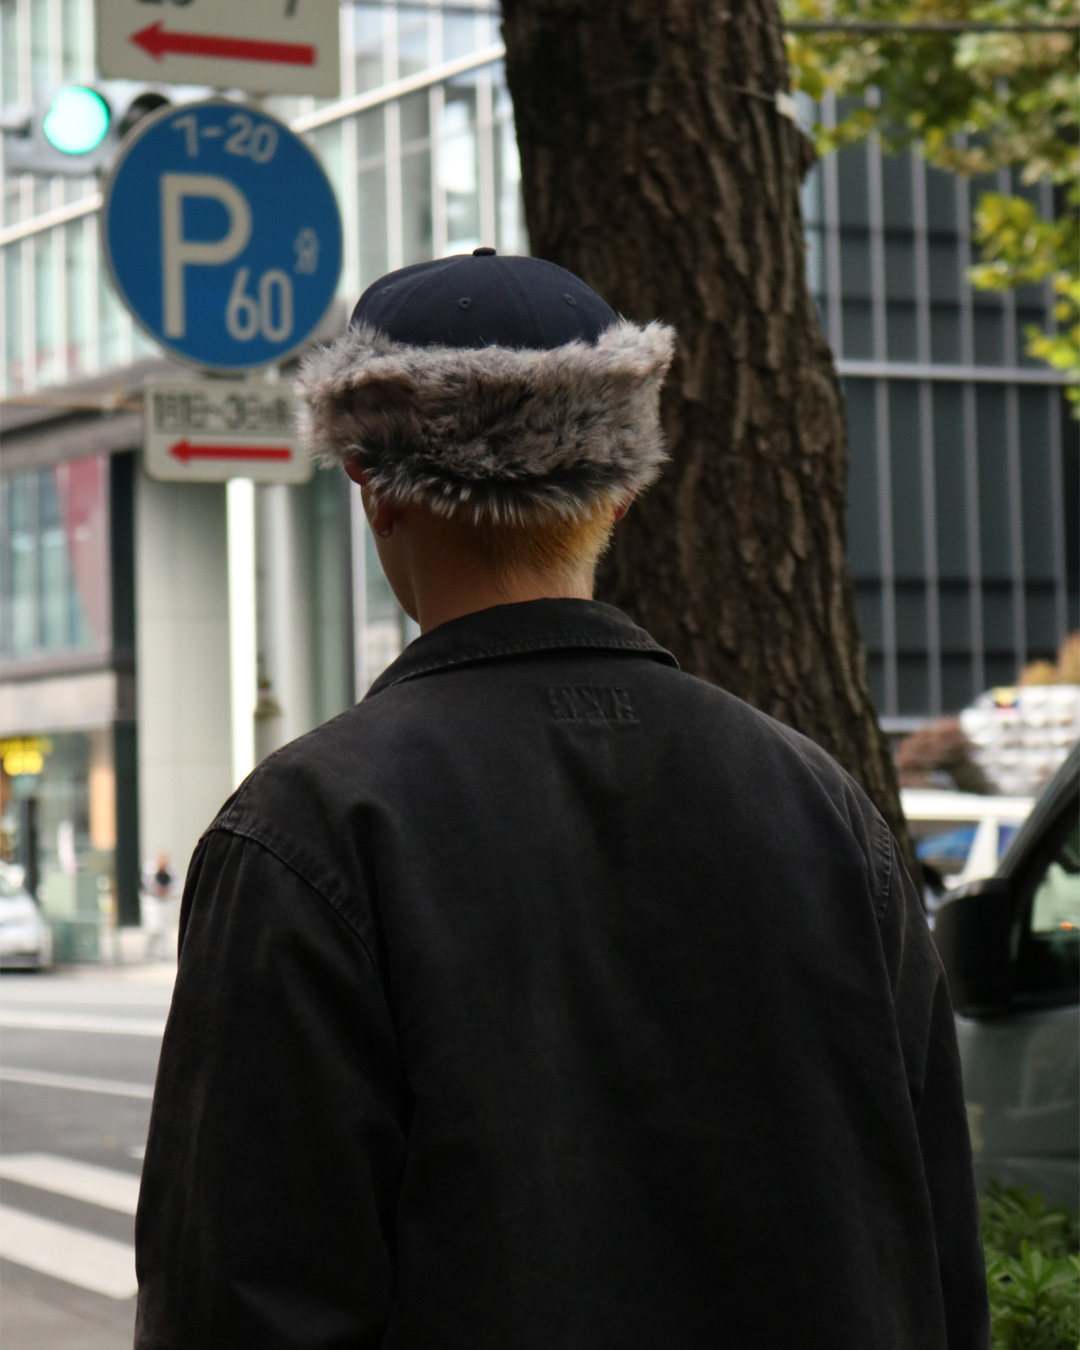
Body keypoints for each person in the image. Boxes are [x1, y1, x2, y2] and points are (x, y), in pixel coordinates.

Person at [134, 251, 989, 1349]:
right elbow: (935, 1254)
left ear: (370, 484)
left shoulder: (310, 829)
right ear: (622, 489)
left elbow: (240, 1296)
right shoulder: (825, 807)